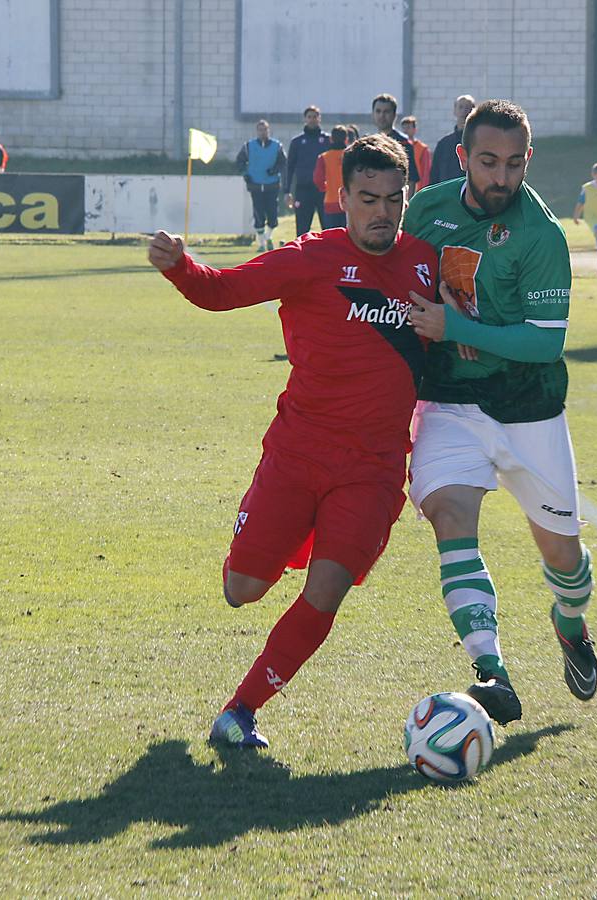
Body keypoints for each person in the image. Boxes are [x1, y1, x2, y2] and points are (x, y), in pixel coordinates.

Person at [148, 134, 439, 749]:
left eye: (394, 198)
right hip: (297, 453)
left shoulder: (427, 264)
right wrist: (180, 265)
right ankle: (280, 535)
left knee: (326, 590)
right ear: (341, 197)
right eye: (368, 198)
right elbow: (221, 291)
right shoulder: (310, 257)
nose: (382, 212)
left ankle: (240, 712)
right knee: (242, 590)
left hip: (376, 466)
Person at [403, 99, 597, 726]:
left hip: (527, 408)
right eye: (488, 162)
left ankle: (570, 625)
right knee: (449, 514)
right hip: (450, 401)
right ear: (460, 158)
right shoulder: (427, 210)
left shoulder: (540, 234)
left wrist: (453, 324)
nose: (501, 178)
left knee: (563, 558)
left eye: (514, 164)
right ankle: (490, 670)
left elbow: (546, 340)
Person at [235, 120, 286, 251]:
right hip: (255, 185)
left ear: (269, 131)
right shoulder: (248, 146)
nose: (263, 132)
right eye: (260, 130)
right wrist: (246, 174)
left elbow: (283, 162)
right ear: (257, 131)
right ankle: (262, 244)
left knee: (273, 215)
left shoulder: (277, 146)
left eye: (265, 130)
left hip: (272, 185)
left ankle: (268, 237)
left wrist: (274, 170)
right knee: (258, 214)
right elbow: (240, 161)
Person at [284, 106, 331, 236]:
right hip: (303, 190)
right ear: (305, 119)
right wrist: (287, 191)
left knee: (328, 228)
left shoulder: (327, 140)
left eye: (315, 117)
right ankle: (301, 256)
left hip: (324, 190)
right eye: (309, 117)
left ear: (319, 118)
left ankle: (329, 255)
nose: (312, 120)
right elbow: (289, 167)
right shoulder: (297, 142)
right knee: (302, 230)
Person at [371, 94, 420, 193]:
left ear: (394, 115)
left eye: (386, 112)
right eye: (378, 111)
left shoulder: (403, 143)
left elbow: (411, 180)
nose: (382, 116)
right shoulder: (370, 143)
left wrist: (407, 206)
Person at [429, 95, 475, 185]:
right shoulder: (443, 144)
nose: (464, 111)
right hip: (445, 194)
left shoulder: (478, 142)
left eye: (467, 107)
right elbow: (434, 175)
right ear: (455, 110)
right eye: (460, 107)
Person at [313, 125, 350, 228]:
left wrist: (324, 188)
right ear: (346, 140)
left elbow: (317, 179)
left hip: (331, 201)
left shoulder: (324, 157)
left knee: (332, 236)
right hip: (350, 202)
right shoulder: (351, 156)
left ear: (331, 139)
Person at [400, 115, 432, 194]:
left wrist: (423, 191)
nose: (405, 131)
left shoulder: (422, 149)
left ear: (414, 130)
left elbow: (426, 172)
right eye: (404, 128)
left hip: (417, 189)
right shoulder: (399, 147)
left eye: (408, 128)